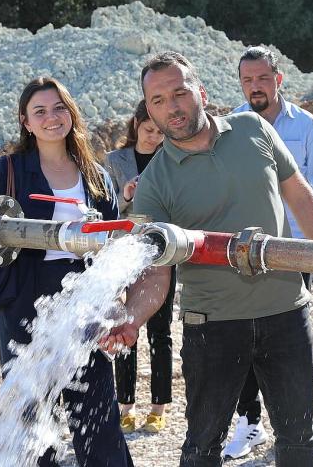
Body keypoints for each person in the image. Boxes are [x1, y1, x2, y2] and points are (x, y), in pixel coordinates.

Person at [100, 51, 313, 467]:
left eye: (179, 93)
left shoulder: (253, 130)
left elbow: (303, 199)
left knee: (297, 442)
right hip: (211, 328)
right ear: (148, 110)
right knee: (202, 447)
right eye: (158, 101)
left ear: (200, 92)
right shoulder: (153, 184)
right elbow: (156, 271)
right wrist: (132, 319)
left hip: (286, 313)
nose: (172, 107)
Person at [0, 77, 131, 467]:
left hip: (84, 301)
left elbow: (111, 245)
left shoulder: (96, 175)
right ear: (26, 121)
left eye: (59, 108)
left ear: (71, 113)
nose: (51, 117)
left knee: (98, 414)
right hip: (24, 298)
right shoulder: (8, 170)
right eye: (40, 111)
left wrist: (117, 304)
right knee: (32, 420)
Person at [226, 45, 313, 459]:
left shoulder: (304, 124)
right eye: (247, 80)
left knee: (294, 345)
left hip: (297, 251)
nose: (255, 87)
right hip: (249, 254)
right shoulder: (231, 126)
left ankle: (300, 430)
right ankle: (249, 424)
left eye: (262, 78)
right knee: (246, 341)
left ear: (279, 79)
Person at [105, 99, 176, 433]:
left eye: (161, 132)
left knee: (160, 332)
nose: (154, 138)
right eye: (149, 130)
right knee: (123, 325)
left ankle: (158, 407)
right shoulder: (113, 161)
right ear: (135, 125)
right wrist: (126, 194)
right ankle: (126, 405)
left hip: (162, 252)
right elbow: (104, 207)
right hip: (124, 252)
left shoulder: (174, 158)